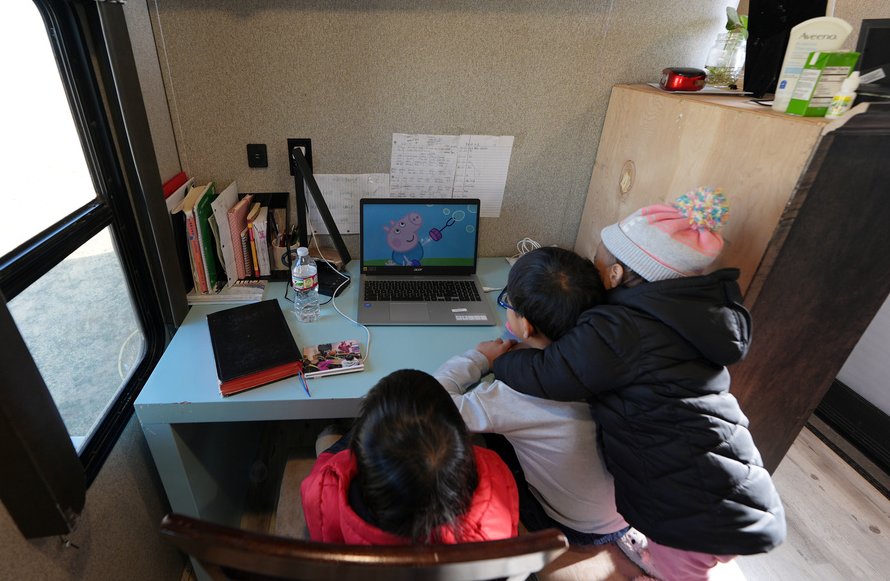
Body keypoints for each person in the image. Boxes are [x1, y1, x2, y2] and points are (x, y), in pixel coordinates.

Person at [483, 187, 786, 581]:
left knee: (684, 563)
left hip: (689, 504)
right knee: (692, 546)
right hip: (714, 469)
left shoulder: (620, 329)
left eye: (599, 258)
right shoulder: (683, 316)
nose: (594, 265)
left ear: (616, 273)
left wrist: (504, 361)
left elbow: (551, 373)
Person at [433, 246, 629, 546]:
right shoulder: (613, 353)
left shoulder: (516, 395)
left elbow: (433, 404)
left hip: (575, 527)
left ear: (525, 326)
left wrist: (478, 358)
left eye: (506, 303)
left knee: (469, 446)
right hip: (629, 512)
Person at [300, 368, 519, 545]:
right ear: (460, 438)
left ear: (363, 457)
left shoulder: (324, 488)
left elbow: (322, 525)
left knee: (329, 441)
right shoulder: (495, 474)